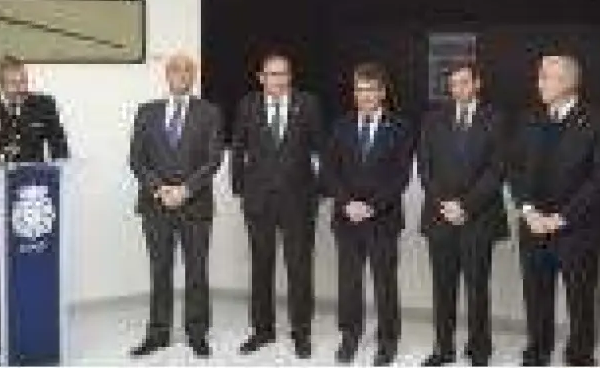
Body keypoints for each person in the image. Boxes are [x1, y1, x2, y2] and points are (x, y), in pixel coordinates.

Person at [0, 55, 70, 362]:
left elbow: (60, 147)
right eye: (14, 83)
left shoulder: (43, 104)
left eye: (24, 81)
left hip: (37, 203)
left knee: (36, 263)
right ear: (0, 83)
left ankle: (37, 329)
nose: (21, 88)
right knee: (0, 264)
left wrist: (61, 166)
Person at [507, 55, 600, 366]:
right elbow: (514, 168)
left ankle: (579, 355)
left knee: (579, 300)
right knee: (536, 297)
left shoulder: (599, 120)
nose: (538, 83)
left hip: (577, 230)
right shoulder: (529, 119)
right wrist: (528, 211)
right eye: (540, 76)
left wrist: (561, 217)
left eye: (546, 77)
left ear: (568, 82)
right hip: (533, 227)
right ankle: (537, 352)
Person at [127, 53, 223, 358]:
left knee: (196, 272)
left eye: (187, 70)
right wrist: (159, 188)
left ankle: (197, 333)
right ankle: (158, 333)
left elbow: (214, 159)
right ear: (166, 75)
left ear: (193, 76)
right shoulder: (147, 112)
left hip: (195, 205)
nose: (181, 75)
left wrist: (185, 189)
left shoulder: (210, 112)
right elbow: (136, 159)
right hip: (155, 205)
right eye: (175, 70)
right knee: (160, 271)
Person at [231, 52, 325, 359]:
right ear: (261, 78)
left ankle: (301, 332)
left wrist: (318, 191)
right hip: (258, 202)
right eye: (272, 74)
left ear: (290, 76)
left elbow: (320, 150)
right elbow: (238, 149)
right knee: (261, 267)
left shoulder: (308, 104)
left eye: (283, 73)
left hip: (299, 202)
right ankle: (262, 331)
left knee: (299, 269)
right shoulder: (248, 105)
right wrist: (240, 190)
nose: (278, 79)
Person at [417, 61, 509, 366]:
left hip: (478, 218)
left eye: (464, 82)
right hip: (440, 217)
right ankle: (443, 348)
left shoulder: (495, 119)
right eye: (454, 84)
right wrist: (445, 204)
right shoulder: (433, 119)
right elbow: (425, 167)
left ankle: (479, 348)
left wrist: (466, 206)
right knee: (443, 289)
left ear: (477, 84)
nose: (458, 89)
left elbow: (497, 170)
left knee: (477, 288)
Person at [325, 62, 414, 366]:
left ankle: (387, 340)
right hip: (346, 218)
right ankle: (350, 335)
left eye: (370, 90)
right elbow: (330, 171)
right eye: (358, 90)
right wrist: (347, 203)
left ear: (382, 92)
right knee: (349, 283)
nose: (363, 96)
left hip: (383, 218)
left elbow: (401, 176)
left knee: (384, 282)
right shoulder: (340, 126)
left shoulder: (400, 127)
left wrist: (371, 206)